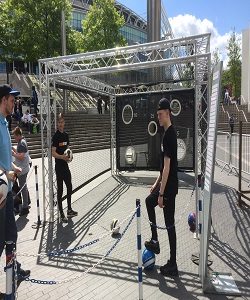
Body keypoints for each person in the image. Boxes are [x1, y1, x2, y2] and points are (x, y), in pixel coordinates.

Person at [144, 98, 178, 277]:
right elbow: (163, 169)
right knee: (149, 202)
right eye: (157, 114)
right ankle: (156, 241)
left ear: (168, 114)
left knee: (170, 224)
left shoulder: (169, 135)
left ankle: (172, 263)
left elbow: (167, 168)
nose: (158, 117)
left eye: (160, 114)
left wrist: (161, 193)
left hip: (169, 189)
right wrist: (156, 185)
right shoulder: (168, 133)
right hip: (167, 186)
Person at [0, 84, 30, 283]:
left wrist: (12, 167)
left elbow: (3, 157)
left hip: (8, 191)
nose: (15, 103)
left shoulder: (4, 123)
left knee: (11, 235)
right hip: (0, 193)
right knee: (0, 240)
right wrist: (6, 172)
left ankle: (13, 270)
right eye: (12, 100)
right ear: (3, 100)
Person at [52, 113, 78, 223]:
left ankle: (69, 209)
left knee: (69, 186)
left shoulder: (66, 135)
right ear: (57, 124)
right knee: (60, 190)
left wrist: (69, 157)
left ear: (64, 123)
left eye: (62, 122)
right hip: (59, 167)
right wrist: (62, 157)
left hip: (65, 166)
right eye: (59, 122)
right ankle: (61, 213)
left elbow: (68, 150)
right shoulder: (56, 136)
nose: (61, 124)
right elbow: (53, 153)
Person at [12, 126, 31, 216]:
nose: (14, 138)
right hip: (23, 168)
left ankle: (25, 207)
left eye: (15, 136)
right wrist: (14, 149)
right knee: (24, 186)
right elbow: (20, 153)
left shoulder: (22, 143)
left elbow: (21, 156)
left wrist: (13, 154)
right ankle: (27, 202)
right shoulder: (21, 142)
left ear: (18, 135)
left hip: (22, 169)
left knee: (23, 188)